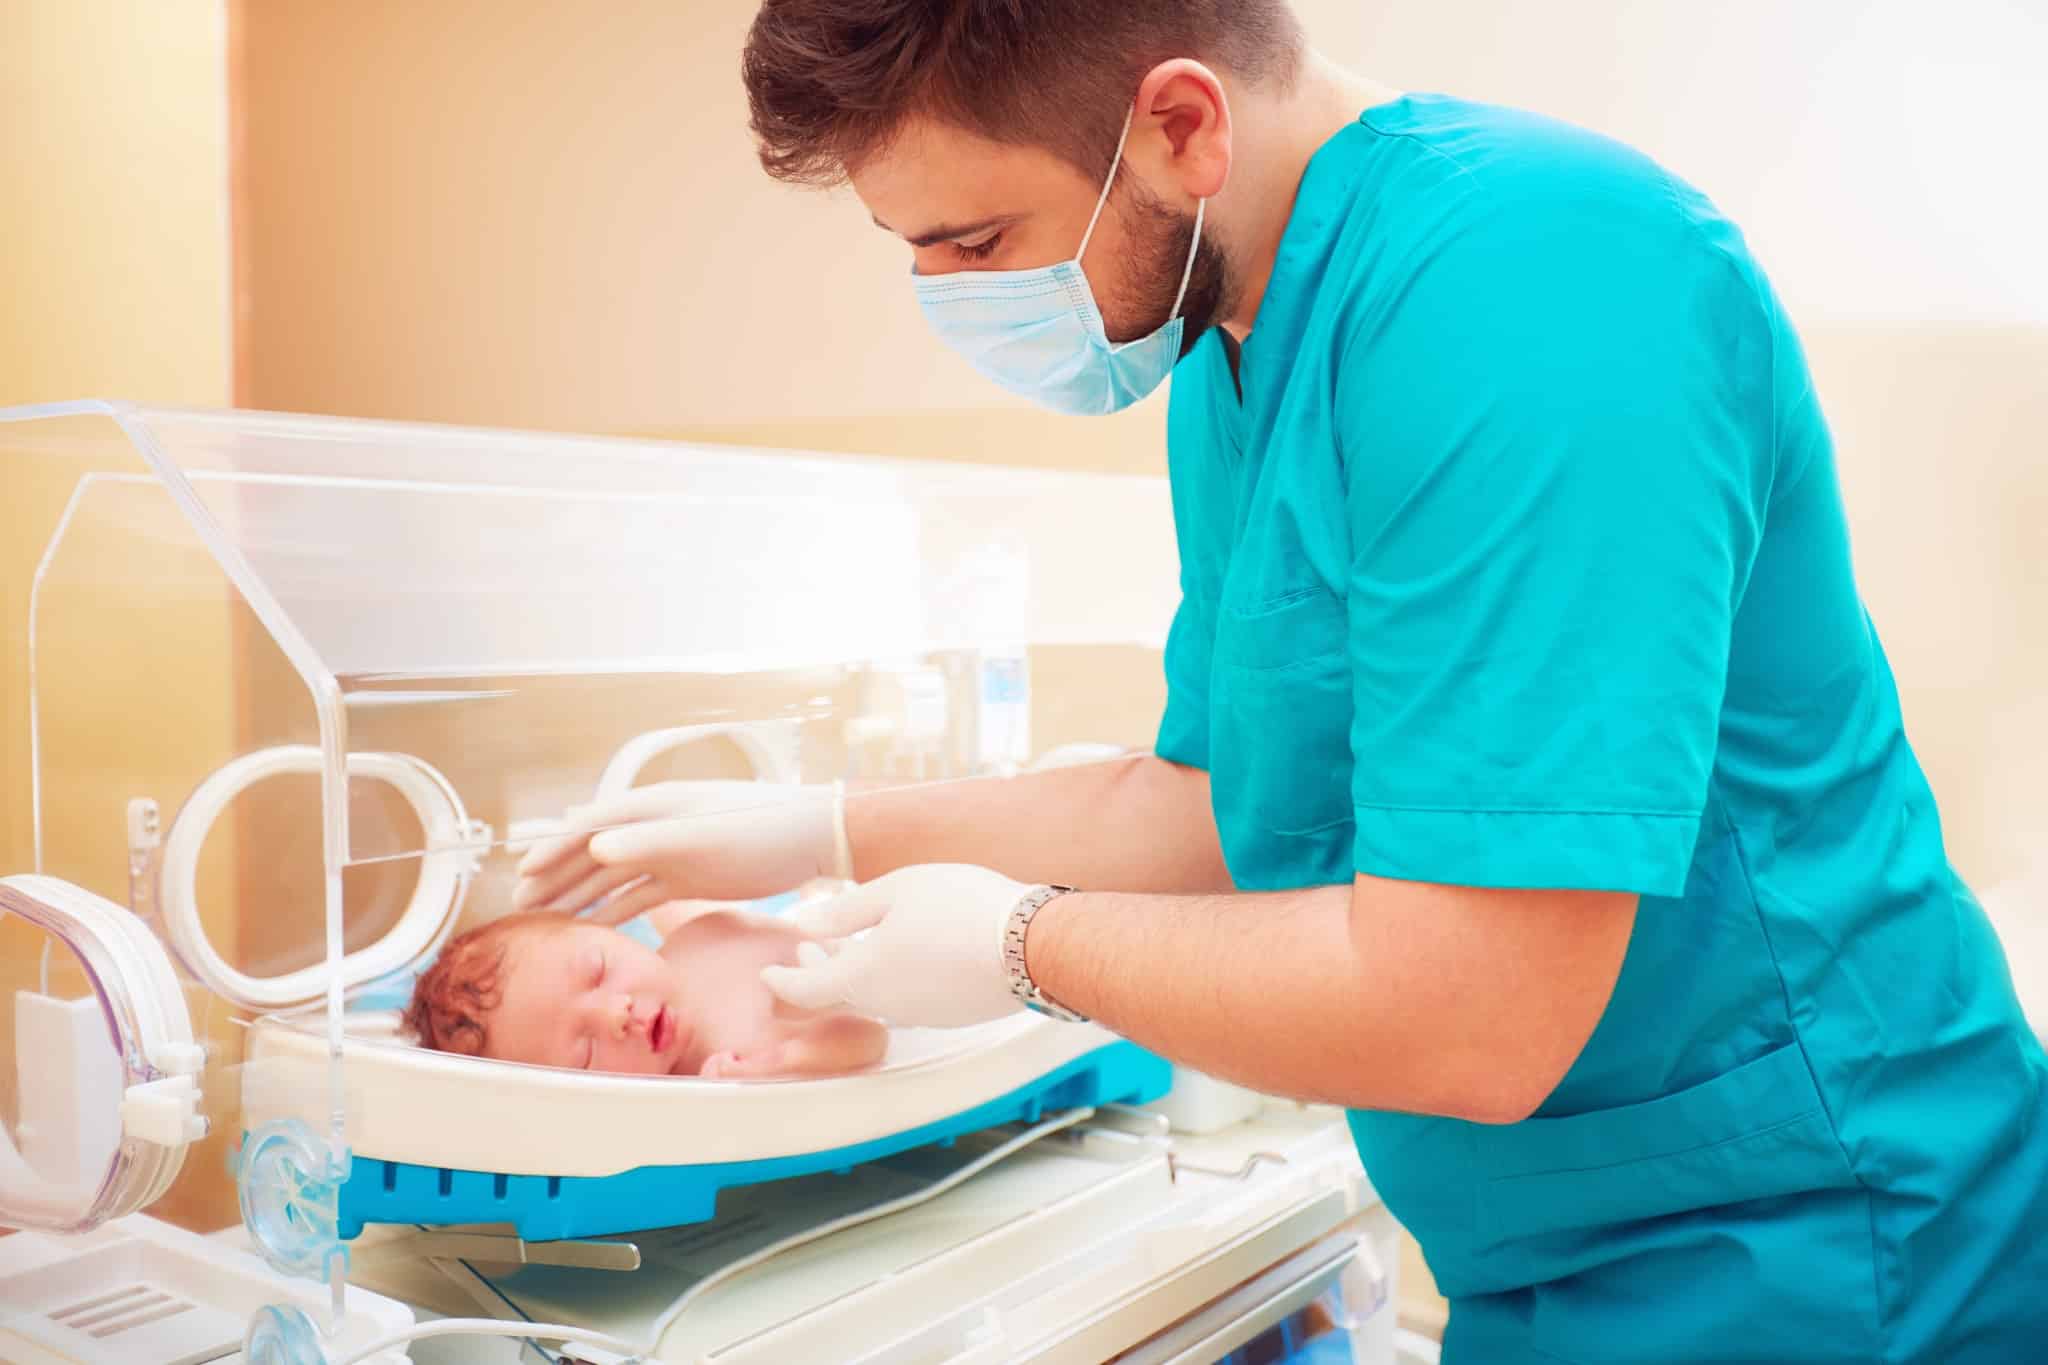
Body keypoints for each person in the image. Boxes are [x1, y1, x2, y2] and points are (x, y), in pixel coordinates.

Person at [516, 3, 2048, 1359]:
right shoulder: (1228, 344)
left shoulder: (1539, 292)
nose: (944, 291)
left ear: (1180, 125)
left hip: (1815, 1243)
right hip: (1550, 1243)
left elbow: (1479, 1010)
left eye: (976, 243)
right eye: (910, 247)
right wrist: (831, 830)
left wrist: (1022, 943)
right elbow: (1214, 803)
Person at [403, 903, 887, 1079]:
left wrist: (791, 1058)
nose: (617, 1015)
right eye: (585, 1053)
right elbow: (867, 1035)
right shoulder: (721, 1062)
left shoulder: (696, 947)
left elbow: (868, 1036)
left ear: (611, 930)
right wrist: (783, 1064)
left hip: (851, 919)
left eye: (597, 970)